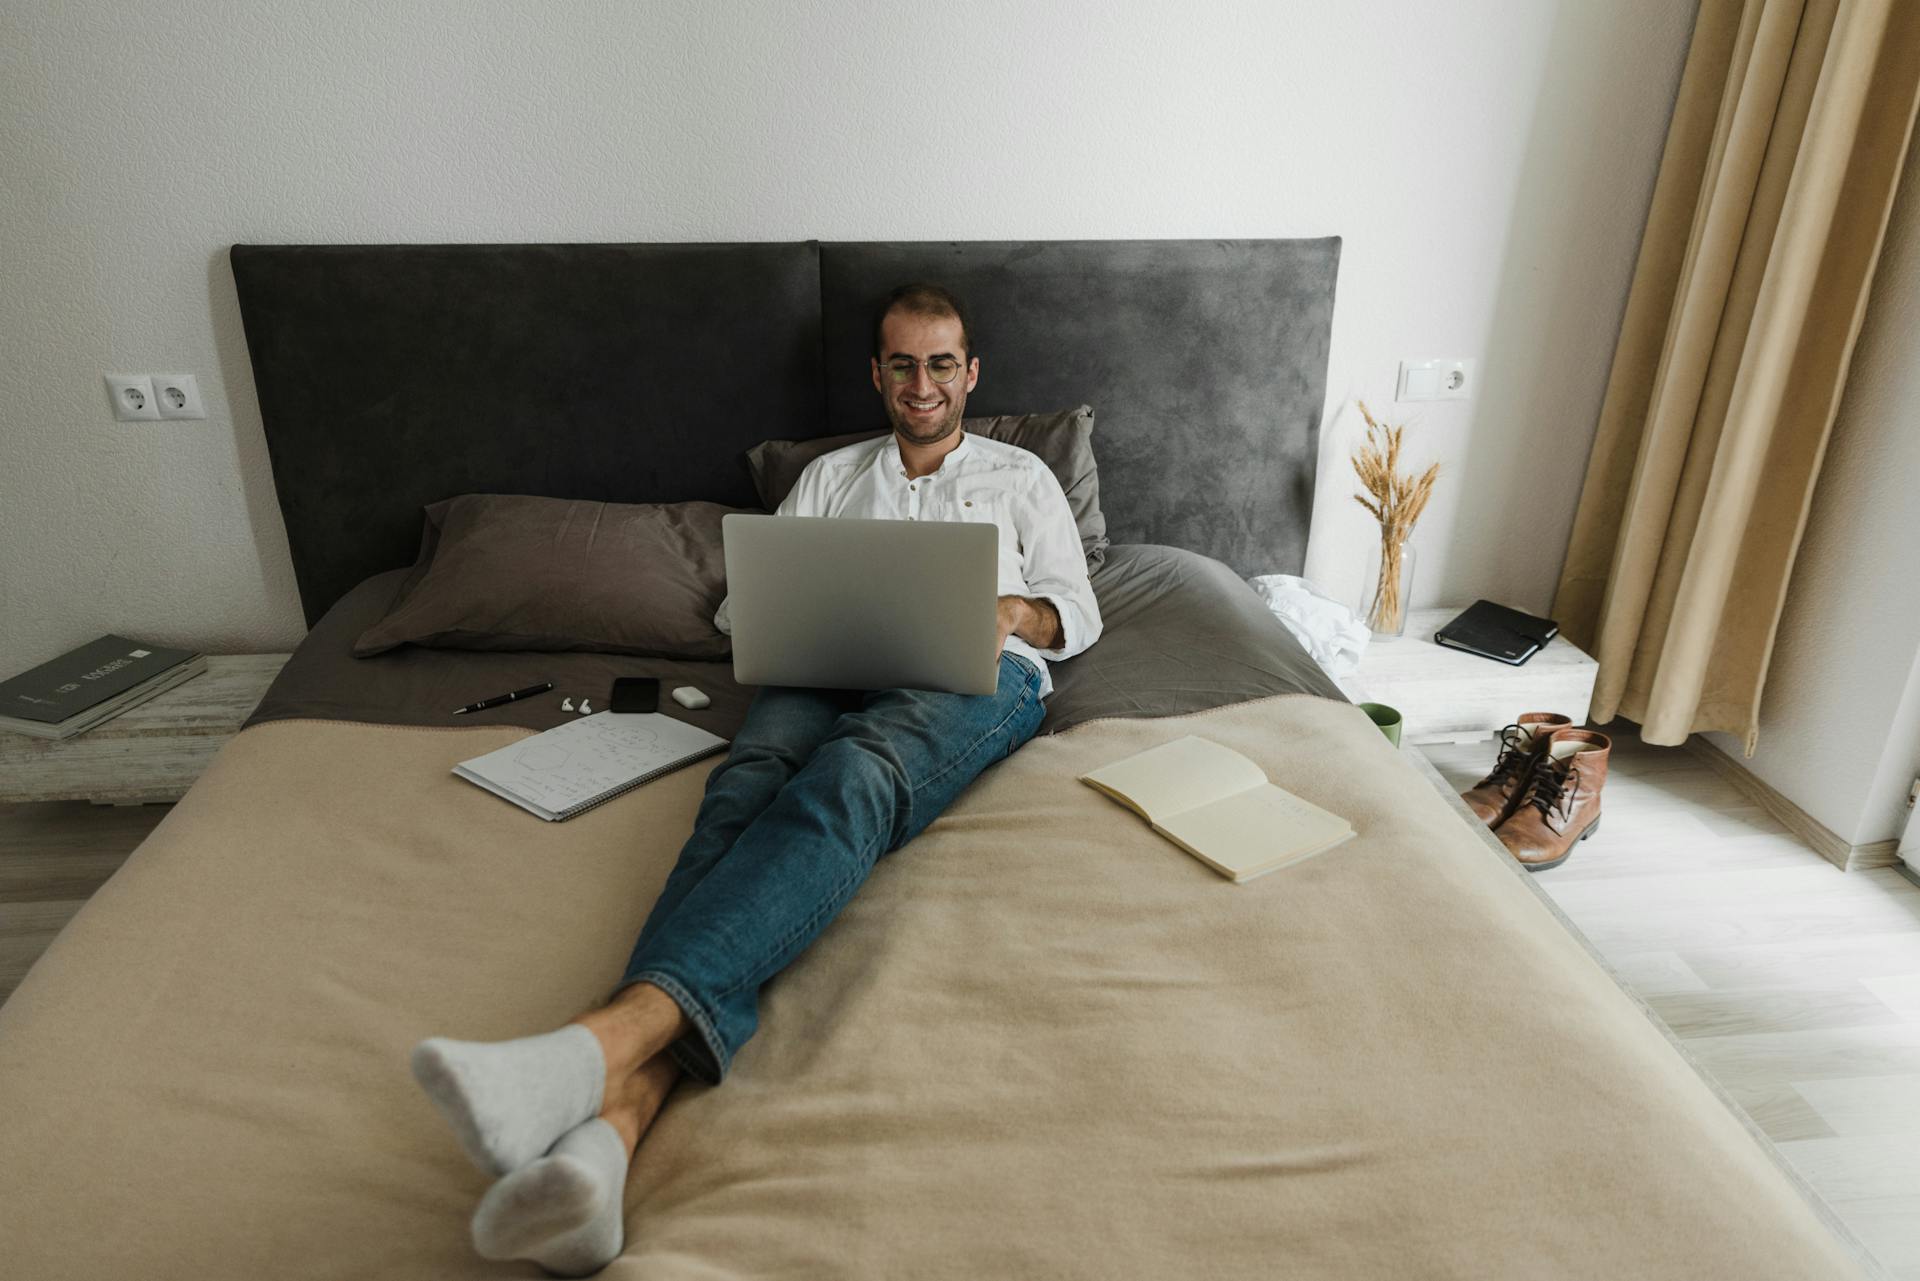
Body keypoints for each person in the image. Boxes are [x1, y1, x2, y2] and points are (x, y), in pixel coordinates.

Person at [408, 282, 1102, 1276]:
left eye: (940, 362)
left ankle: (593, 1048)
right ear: (877, 373)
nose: (921, 383)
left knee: (855, 774)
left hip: (974, 671)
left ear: (971, 372)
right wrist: (790, 606)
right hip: (824, 659)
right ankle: (606, 1145)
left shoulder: (1020, 477)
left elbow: (1078, 611)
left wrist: (1008, 610)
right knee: (741, 794)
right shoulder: (827, 478)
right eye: (901, 363)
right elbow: (747, 609)